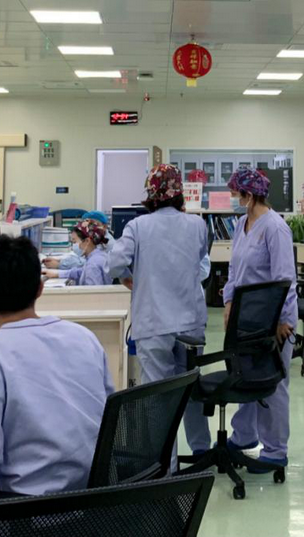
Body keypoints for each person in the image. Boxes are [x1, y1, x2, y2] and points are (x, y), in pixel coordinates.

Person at [0, 235, 114, 504]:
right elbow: (109, 420)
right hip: (95, 504)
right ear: (39, 289)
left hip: (25, 514)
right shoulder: (83, 338)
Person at [107, 164, 211, 455]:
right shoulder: (197, 225)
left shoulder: (138, 227)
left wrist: (127, 276)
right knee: (191, 389)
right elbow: (201, 264)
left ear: (150, 194)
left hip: (154, 323)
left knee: (157, 399)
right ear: (179, 193)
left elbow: (114, 264)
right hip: (191, 324)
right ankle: (201, 451)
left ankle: (166, 466)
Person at [216, 168, 297, 469]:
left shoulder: (275, 228)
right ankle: (244, 436)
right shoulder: (242, 224)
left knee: (273, 383)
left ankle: (275, 451)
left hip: (274, 320)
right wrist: (228, 302)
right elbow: (234, 270)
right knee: (247, 376)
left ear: (249, 195)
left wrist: (280, 322)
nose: (234, 198)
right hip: (245, 316)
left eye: (237, 194)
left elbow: (285, 279)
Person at [43, 219, 109, 286]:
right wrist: (58, 274)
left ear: (87, 241)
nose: (73, 246)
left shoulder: (92, 264)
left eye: (74, 242)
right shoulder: (98, 255)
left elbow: (92, 291)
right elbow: (81, 271)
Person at [43, 210, 112, 271]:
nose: (91, 227)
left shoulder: (106, 244)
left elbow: (88, 264)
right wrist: (60, 261)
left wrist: (60, 264)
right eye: (88, 223)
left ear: (104, 226)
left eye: (94, 224)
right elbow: (82, 260)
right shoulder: (95, 241)